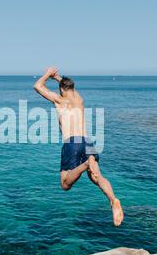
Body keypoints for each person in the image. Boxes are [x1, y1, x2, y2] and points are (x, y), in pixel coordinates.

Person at [34, 67, 124, 226]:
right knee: (98, 178)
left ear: (62, 89)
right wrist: (58, 78)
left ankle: (85, 164)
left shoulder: (60, 101)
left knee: (65, 184)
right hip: (87, 142)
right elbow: (69, 88)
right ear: (73, 88)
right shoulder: (80, 101)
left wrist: (48, 74)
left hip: (72, 143)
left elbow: (38, 86)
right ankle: (113, 200)